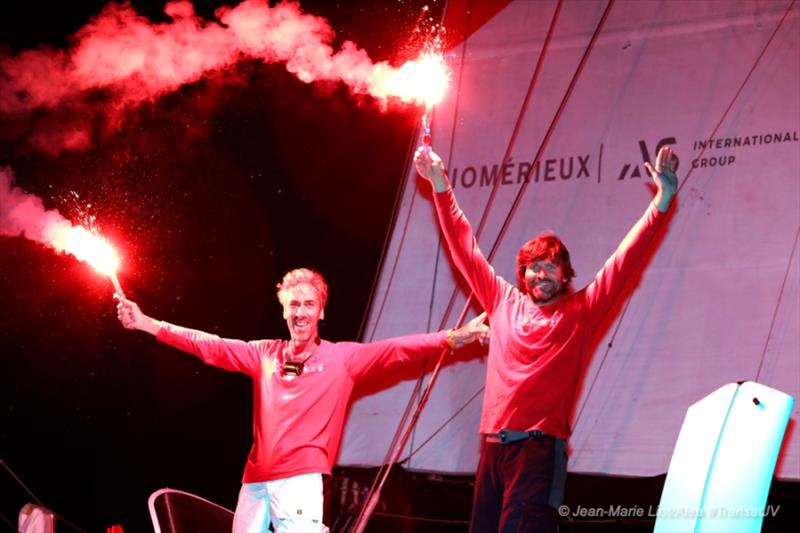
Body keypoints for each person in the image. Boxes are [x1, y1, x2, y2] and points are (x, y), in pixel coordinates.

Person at [414, 145, 678, 532]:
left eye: (549, 267)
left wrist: (662, 201)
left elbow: (625, 259)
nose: (540, 275)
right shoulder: (503, 301)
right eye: (533, 269)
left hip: (538, 452)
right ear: (523, 275)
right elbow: (464, 249)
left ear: (564, 273)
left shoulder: (581, 311)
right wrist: (440, 183)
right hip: (492, 449)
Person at [116, 267, 488, 533]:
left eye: (308, 305)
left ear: (321, 311)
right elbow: (208, 345)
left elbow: (398, 349)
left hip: (301, 481)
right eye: (293, 305)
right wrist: (149, 324)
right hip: (255, 482)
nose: (300, 312)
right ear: (283, 310)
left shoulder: (342, 358)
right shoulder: (264, 354)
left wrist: (454, 338)